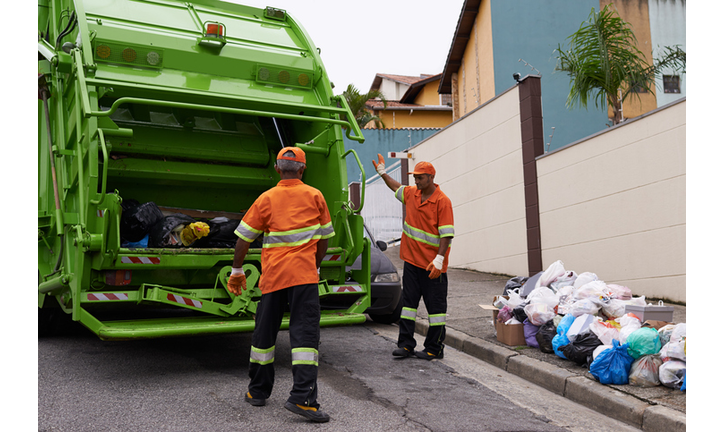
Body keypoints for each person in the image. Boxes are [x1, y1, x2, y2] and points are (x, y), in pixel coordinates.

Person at [227, 146, 334, 423]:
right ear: (302, 168)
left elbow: (243, 238)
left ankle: (257, 392)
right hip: (303, 276)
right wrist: (316, 263)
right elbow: (323, 240)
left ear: (277, 168)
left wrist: (237, 269)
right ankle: (303, 399)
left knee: (264, 335)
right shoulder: (315, 195)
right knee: (305, 338)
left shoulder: (266, 198)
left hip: (273, 277)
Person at [372, 154, 454, 360]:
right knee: (408, 306)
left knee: (436, 310)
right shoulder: (412, 194)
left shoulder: (442, 202)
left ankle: (434, 348)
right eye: (415, 177)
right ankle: (406, 345)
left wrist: (439, 259)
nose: (416, 181)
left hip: (432, 266)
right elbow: (396, 187)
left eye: (420, 177)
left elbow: (447, 234)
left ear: (431, 178)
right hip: (412, 263)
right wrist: (382, 174)